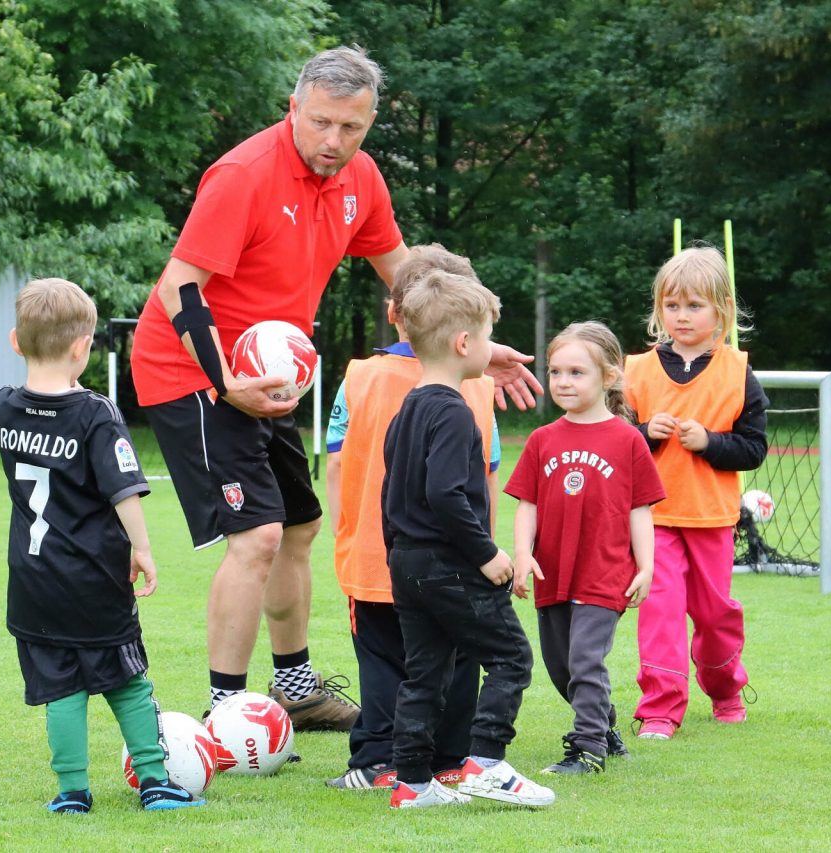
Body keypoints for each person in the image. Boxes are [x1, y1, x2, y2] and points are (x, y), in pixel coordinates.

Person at [130, 45, 542, 729]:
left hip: (270, 379)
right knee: (258, 534)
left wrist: (478, 346)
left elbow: (408, 278)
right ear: (293, 108)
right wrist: (225, 381)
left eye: (351, 128)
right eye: (320, 123)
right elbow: (179, 287)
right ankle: (230, 710)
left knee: (300, 525)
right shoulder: (244, 174)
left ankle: (294, 687)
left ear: (370, 121)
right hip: (190, 372)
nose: (333, 141)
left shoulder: (363, 179)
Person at [0, 278, 204, 814]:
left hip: (33, 580)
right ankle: (155, 782)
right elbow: (124, 491)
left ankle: (72, 793)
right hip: (94, 578)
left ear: (16, 342)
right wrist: (144, 549)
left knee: (61, 692)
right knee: (128, 681)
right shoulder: (95, 415)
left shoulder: (2, 408)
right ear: (83, 348)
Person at [323, 245, 500, 791]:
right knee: (456, 656)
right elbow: (485, 475)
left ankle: (378, 760)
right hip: (458, 558)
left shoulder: (359, 376)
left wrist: (346, 531)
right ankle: (452, 757)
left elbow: (335, 460)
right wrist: (483, 550)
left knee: (382, 659)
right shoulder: (478, 383)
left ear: (393, 310)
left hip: (377, 556)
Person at [381, 270, 553, 809]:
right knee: (511, 658)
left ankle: (411, 782)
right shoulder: (454, 412)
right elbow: (445, 495)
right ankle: (487, 763)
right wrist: (488, 553)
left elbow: (393, 492)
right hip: (451, 564)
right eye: (485, 336)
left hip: (407, 564)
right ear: (463, 344)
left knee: (425, 672)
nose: (488, 348)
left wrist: (401, 557)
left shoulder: (407, 408)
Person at [506, 322, 666, 774]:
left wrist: (646, 566)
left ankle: (588, 748)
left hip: (604, 571)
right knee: (561, 668)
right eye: (556, 372)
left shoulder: (628, 439)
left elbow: (640, 510)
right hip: (553, 572)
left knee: (584, 660)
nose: (563, 381)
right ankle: (606, 726)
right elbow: (527, 506)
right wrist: (523, 554)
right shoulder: (542, 439)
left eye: (577, 372)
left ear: (609, 377)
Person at [625, 246, 768, 740]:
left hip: (712, 519)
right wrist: (644, 432)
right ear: (658, 309)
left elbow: (753, 448)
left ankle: (725, 686)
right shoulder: (636, 370)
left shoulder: (737, 371)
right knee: (660, 611)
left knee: (714, 613)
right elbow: (617, 443)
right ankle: (660, 710)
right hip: (653, 519)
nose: (681, 317)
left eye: (694, 306)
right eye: (672, 305)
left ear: (721, 310)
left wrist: (710, 442)